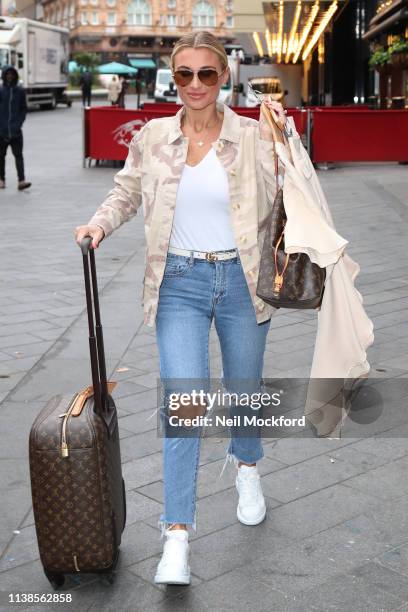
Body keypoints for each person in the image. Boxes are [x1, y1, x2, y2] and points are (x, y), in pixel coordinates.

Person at [74, 30, 288, 585]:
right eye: (185, 74)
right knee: (186, 402)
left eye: (207, 74)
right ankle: (176, 536)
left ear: (225, 77)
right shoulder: (152, 137)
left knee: (243, 388)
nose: (195, 85)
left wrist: (286, 138)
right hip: (179, 283)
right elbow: (126, 191)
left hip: (243, 282)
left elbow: (295, 192)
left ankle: (246, 466)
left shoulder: (254, 134)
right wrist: (100, 223)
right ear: (175, 77)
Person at [0, 65, 31, 191]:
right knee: (0, 156)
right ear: (4, 75)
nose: (10, 76)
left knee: (18, 156)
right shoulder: (1, 91)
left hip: (16, 131)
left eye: (12, 74)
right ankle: (1, 180)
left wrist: (19, 123)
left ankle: (21, 181)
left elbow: (23, 109)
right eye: (7, 74)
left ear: (15, 75)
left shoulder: (20, 91)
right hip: (1, 131)